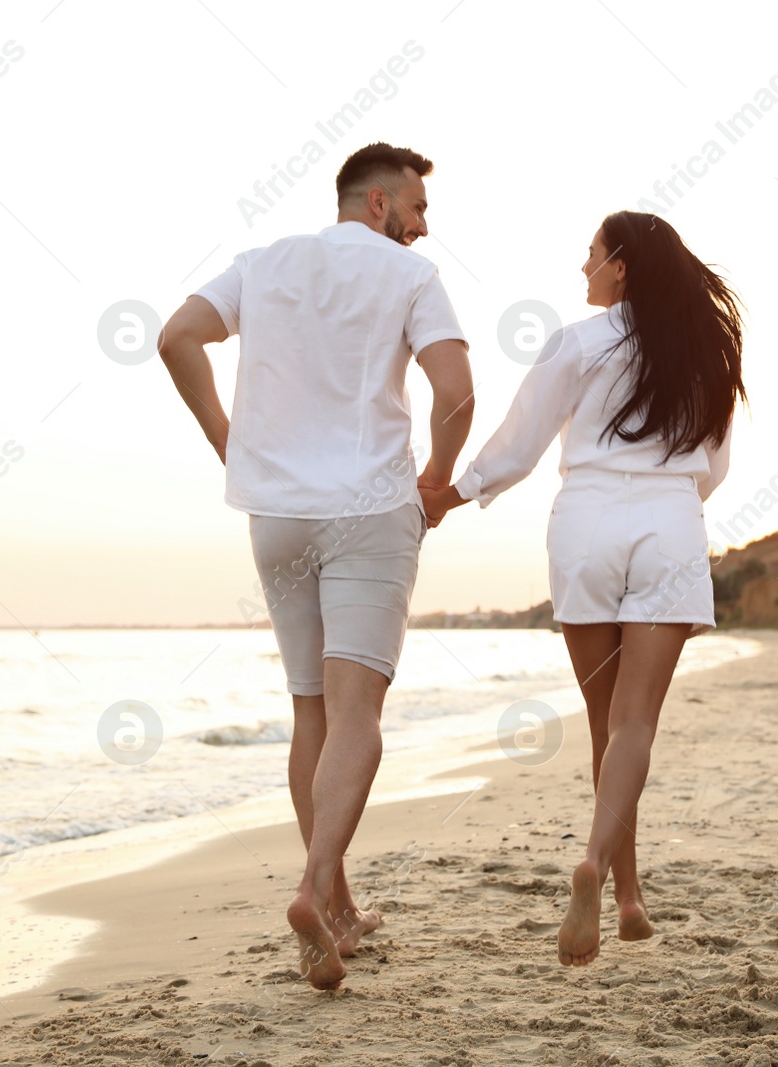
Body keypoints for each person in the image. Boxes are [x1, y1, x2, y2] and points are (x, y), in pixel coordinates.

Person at [156, 143, 474, 989]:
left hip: (277, 514)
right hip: (368, 506)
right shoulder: (414, 277)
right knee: (357, 705)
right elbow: (459, 394)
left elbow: (177, 336)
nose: (423, 223)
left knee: (310, 713)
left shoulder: (260, 264)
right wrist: (437, 476)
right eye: (415, 205)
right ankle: (310, 889)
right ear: (375, 203)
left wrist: (232, 444)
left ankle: (337, 906)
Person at [419, 210, 744, 966]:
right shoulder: (707, 351)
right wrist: (671, 509)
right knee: (635, 727)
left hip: (585, 522)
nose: (583, 267)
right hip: (668, 520)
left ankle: (625, 894)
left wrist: (451, 493)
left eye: (592, 254)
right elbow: (716, 467)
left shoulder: (578, 340)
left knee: (602, 724)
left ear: (622, 265)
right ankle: (608, 877)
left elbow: (521, 440)